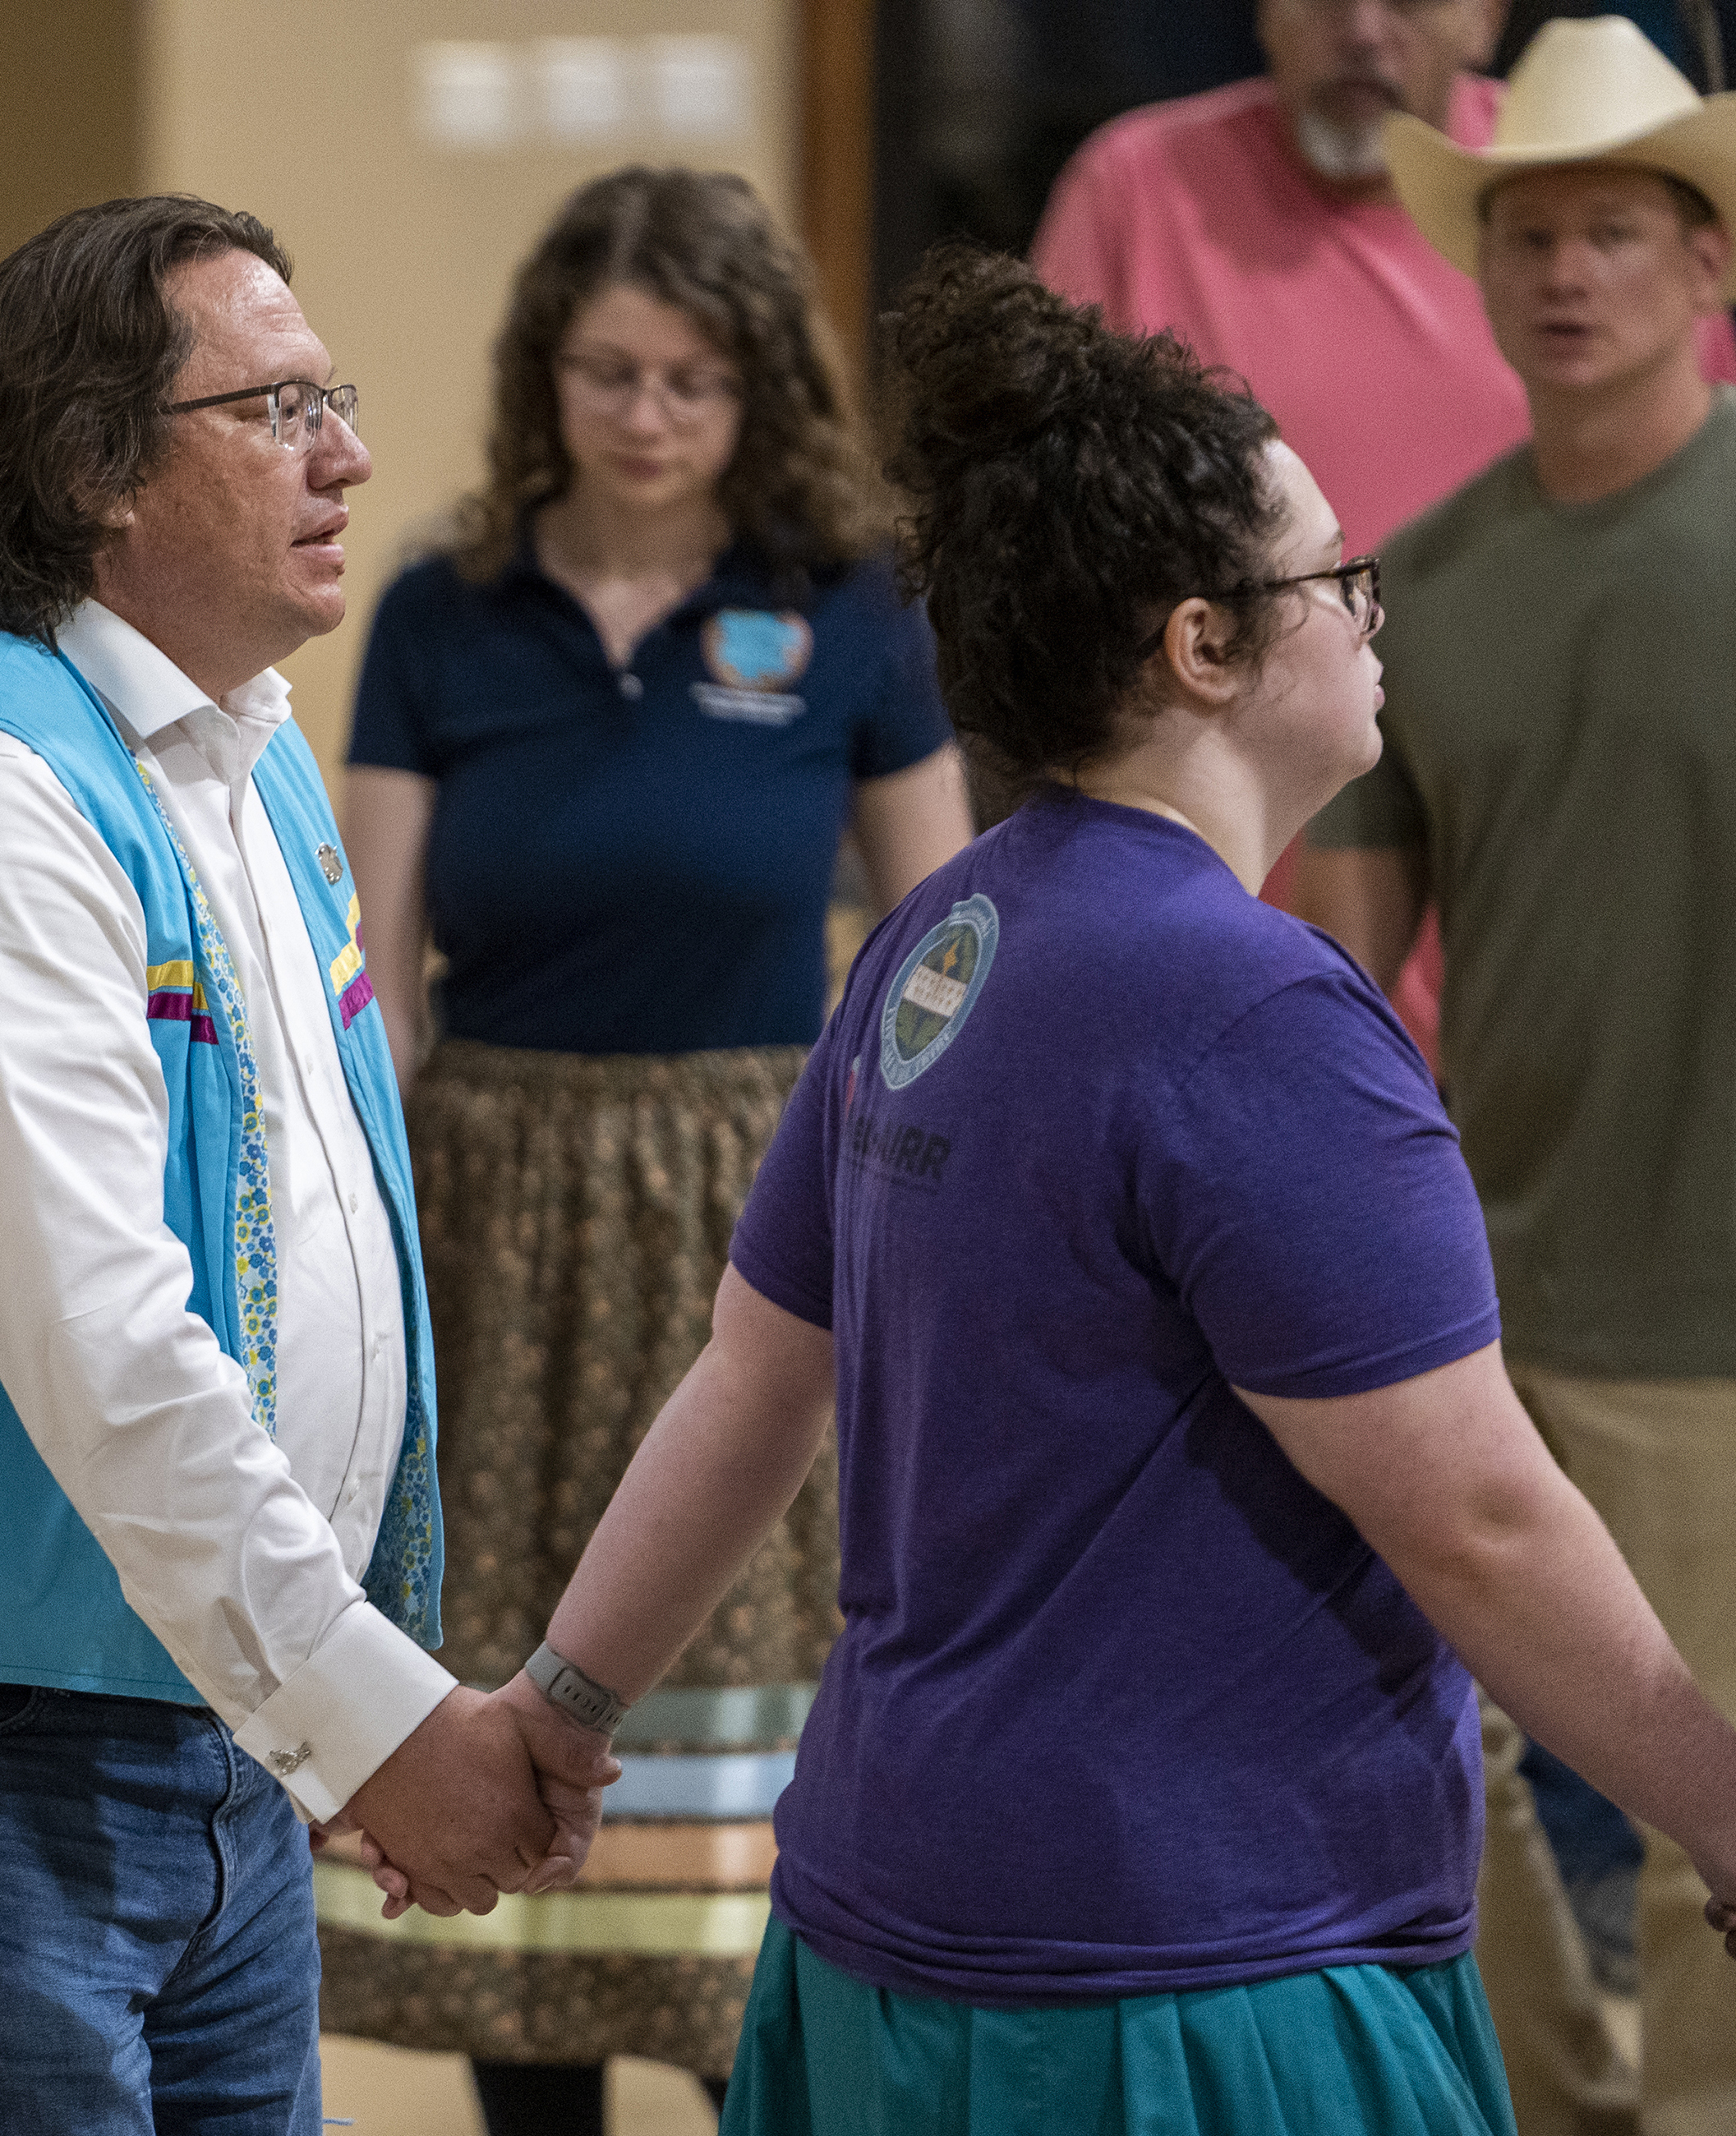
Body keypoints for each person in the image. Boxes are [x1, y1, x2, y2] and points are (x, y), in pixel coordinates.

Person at [359, 244, 1736, 2132]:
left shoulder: (944, 935)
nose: (1368, 608)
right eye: (1334, 573)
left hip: (876, 1933)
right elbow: (1482, 1515)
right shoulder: (1258, 1016)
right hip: (1188, 1982)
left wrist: (562, 1704)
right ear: (1203, 643)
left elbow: (751, 1384)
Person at [0, 194, 616, 2134]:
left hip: (193, 1709)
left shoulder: (237, 751)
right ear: (93, 471)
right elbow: (112, 1349)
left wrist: (338, 1708)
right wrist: (379, 1721)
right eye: (275, 411)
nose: (345, 452)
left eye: (330, 398)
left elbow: (319, 1228)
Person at [323, 166, 967, 2132]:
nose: (648, 415)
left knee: (753, 1683)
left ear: (757, 388)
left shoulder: (845, 611)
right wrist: (373, 1231)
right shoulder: (446, 608)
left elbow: (946, 952)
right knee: (525, 1644)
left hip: (753, 1199)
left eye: (692, 377)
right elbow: (378, 966)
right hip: (501, 1196)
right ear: (547, 379)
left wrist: (924, 1218)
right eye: (608, 371)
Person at [1299, 17, 1736, 2129]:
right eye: (1531, 232)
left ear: (1707, 263)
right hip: (1470, 1286)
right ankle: (1551, 2102)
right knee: (1410, 1752)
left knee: (1712, 1808)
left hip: (1716, 1310)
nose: (1567, 271)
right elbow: (1335, 978)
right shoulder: (1424, 588)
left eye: (1617, 232)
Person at [1033, 0, 1736, 1068]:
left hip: (1572, 963)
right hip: (1205, 949)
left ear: (1483, 18)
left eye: (1407, 2)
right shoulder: (1133, 188)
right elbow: (1034, 579)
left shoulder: (1595, 180)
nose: (1363, 30)